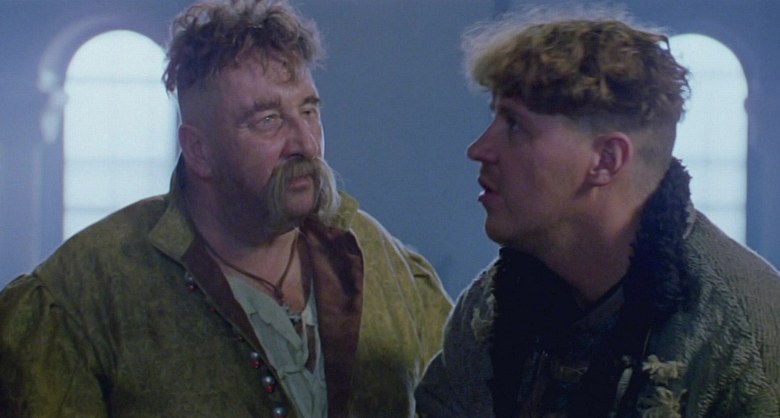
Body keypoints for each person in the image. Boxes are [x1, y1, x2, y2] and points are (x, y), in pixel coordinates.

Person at [0, 0, 451, 416]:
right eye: (268, 120)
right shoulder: (86, 291)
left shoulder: (379, 259)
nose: (306, 145)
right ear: (199, 150)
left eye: (309, 112)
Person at [415, 8, 780, 418]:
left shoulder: (752, 359)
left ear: (606, 160)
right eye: (495, 117)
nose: (479, 149)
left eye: (516, 126)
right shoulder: (494, 305)